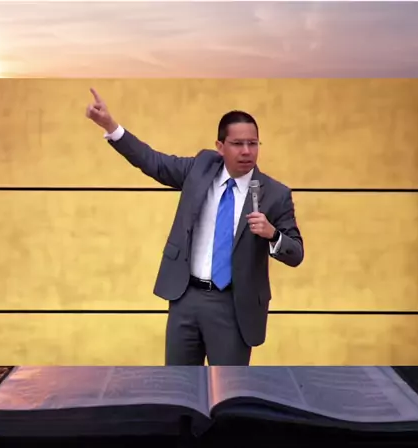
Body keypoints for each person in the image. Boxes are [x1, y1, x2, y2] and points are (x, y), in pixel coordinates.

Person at [86, 88, 304, 366]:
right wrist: (111, 126)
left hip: (233, 306)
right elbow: (153, 162)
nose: (247, 151)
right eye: (238, 143)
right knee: (179, 384)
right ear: (220, 146)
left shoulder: (274, 193)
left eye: (253, 143)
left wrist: (272, 234)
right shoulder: (200, 168)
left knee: (229, 386)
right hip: (185, 298)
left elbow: (296, 253)